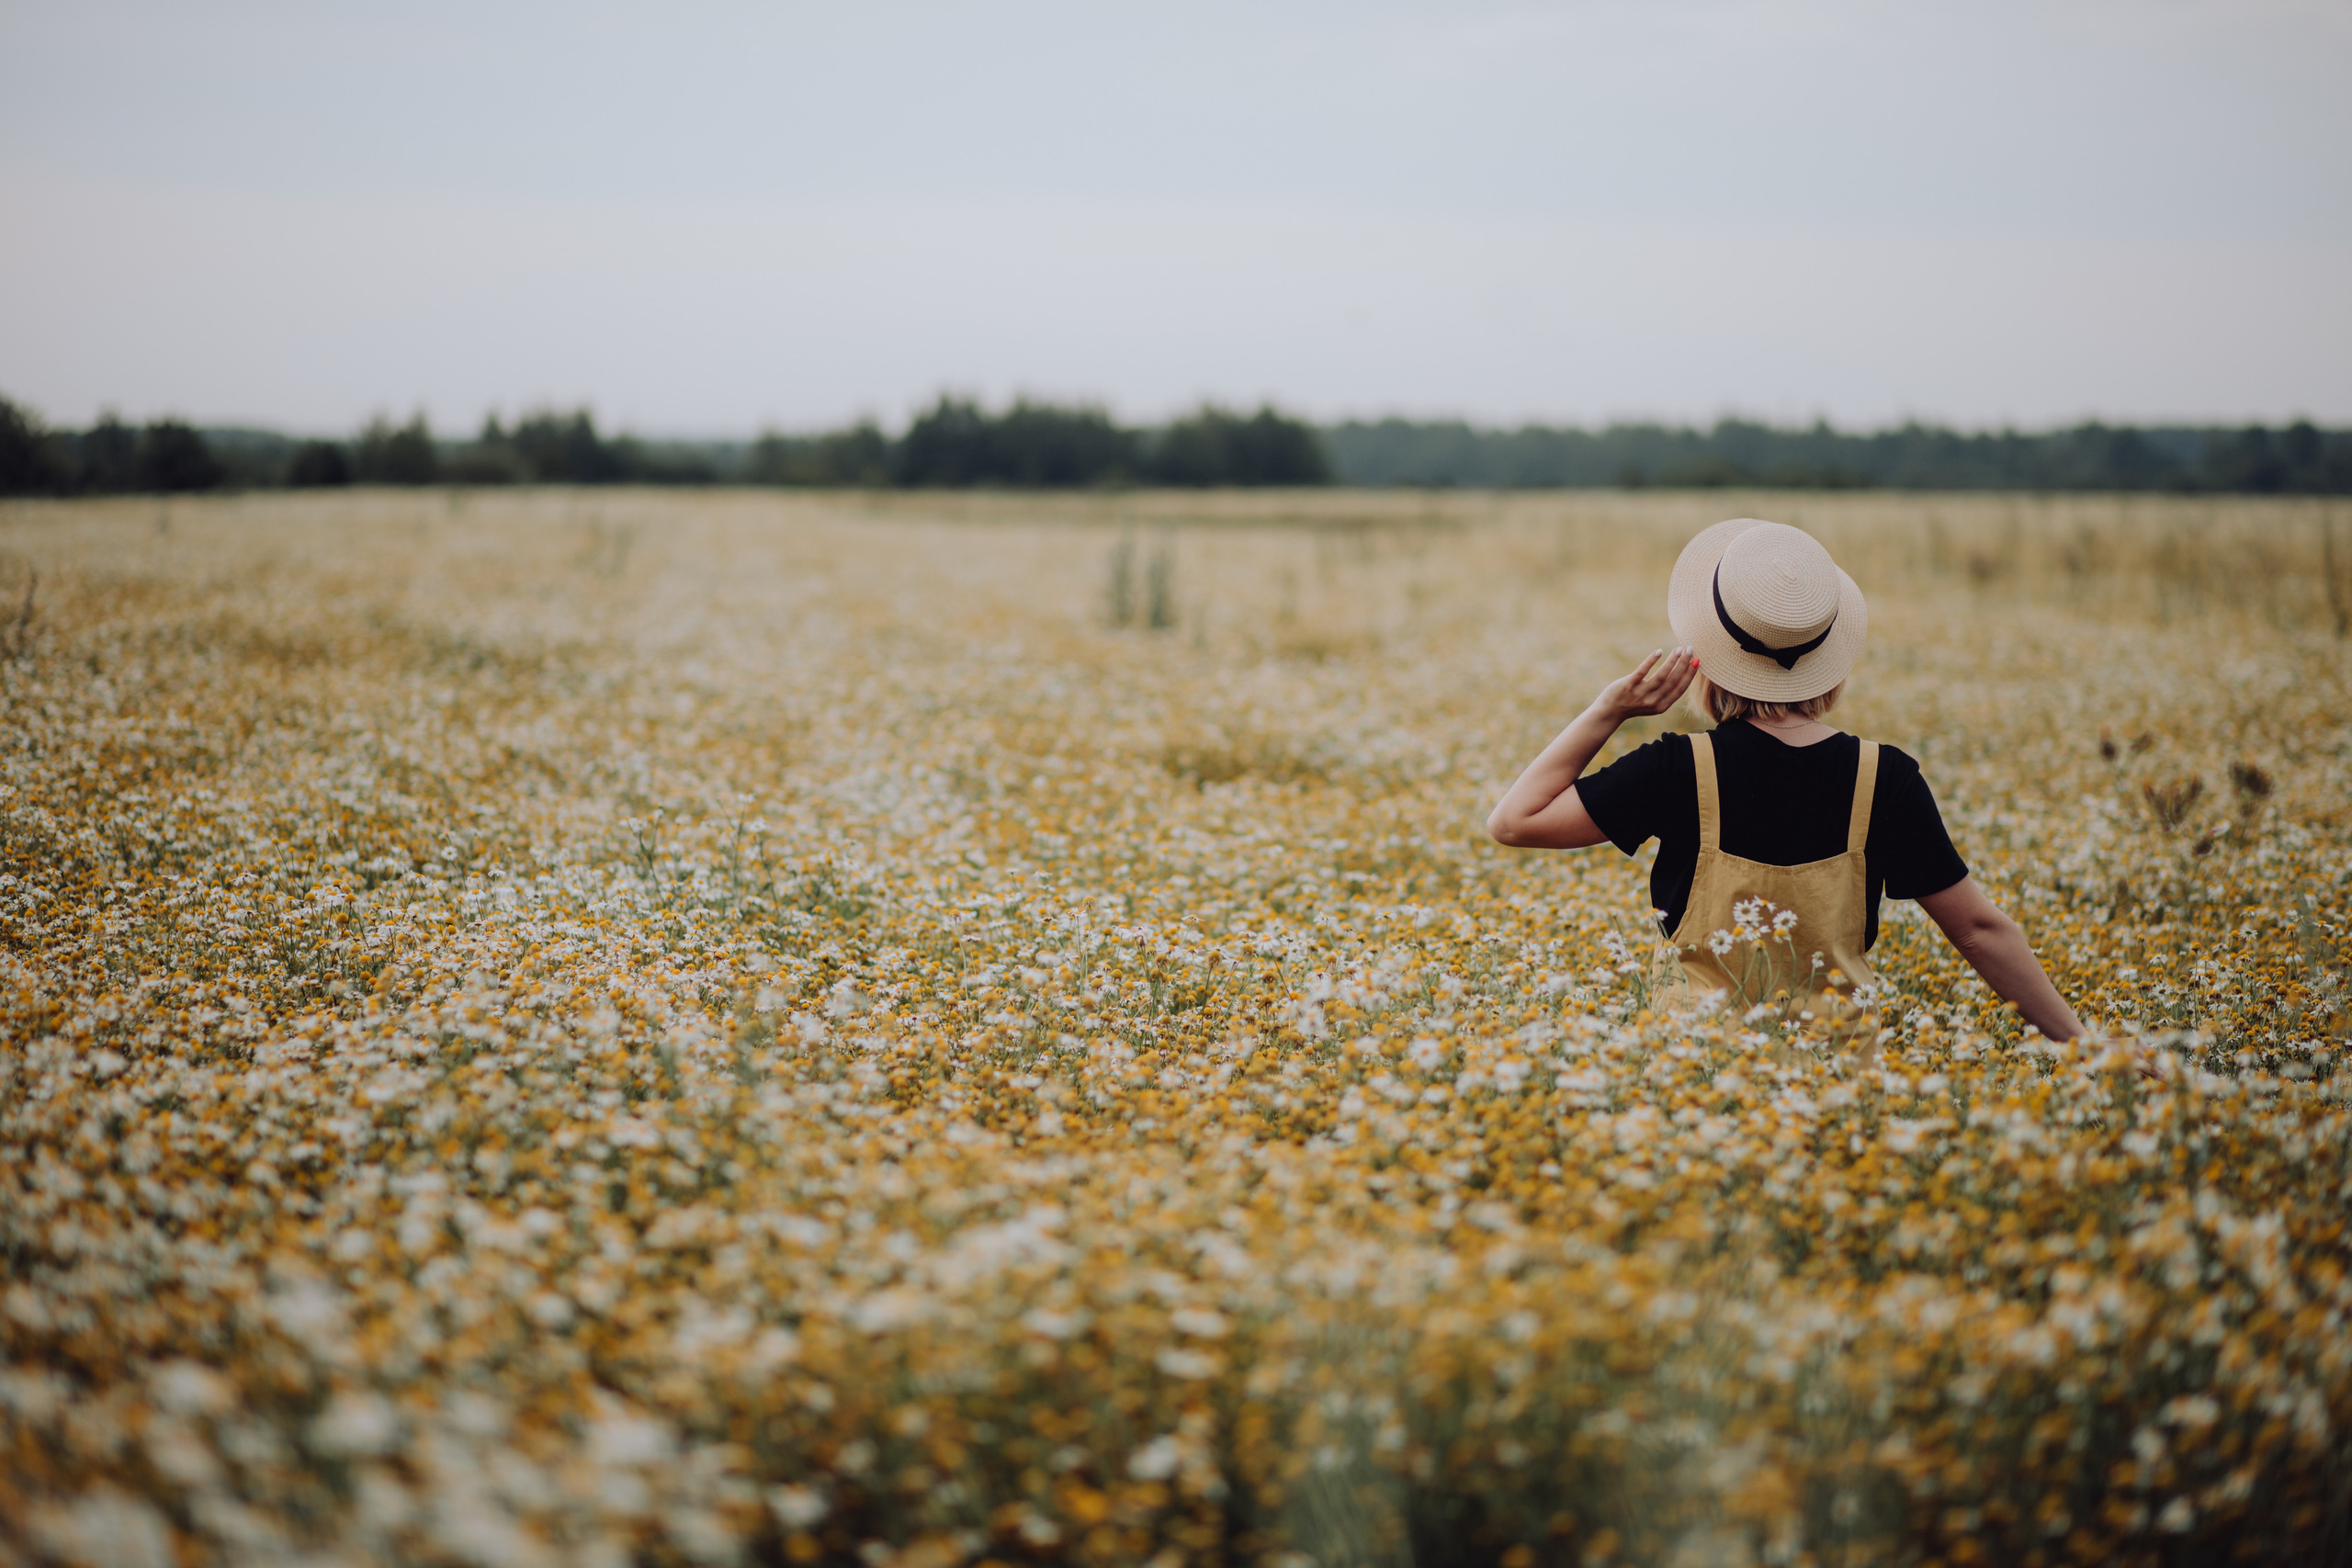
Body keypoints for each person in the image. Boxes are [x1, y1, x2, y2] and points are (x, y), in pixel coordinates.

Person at [1484, 517, 2089, 1047]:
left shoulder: (1675, 768)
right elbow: (1980, 931)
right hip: (1836, 1080)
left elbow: (1514, 822)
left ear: (1706, 655)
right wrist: (2086, 1047)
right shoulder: (1886, 778)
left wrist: (1609, 710)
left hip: (1696, 1073)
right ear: (1829, 656)